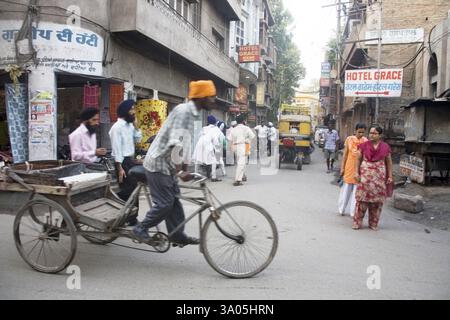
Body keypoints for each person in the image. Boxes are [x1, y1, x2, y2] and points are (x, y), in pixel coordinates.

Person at [133, 80, 217, 246]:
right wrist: (180, 171)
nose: (213, 100)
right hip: (158, 164)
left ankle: (176, 235)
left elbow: (185, 143)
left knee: (175, 203)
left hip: (169, 166)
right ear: (202, 97)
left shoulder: (194, 114)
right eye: (211, 97)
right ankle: (140, 229)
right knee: (165, 203)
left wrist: (185, 168)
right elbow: (175, 142)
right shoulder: (183, 111)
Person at [109, 100, 143, 225]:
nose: (134, 112)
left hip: (130, 160)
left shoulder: (129, 126)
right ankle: (121, 214)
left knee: (134, 190)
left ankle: (132, 218)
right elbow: (117, 149)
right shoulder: (116, 128)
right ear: (125, 111)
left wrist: (136, 126)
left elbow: (138, 139)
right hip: (121, 162)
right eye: (131, 109)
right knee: (127, 190)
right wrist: (119, 168)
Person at [353, 125, 393, 231]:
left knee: (376, 202)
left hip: (379, 177)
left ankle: (373, 223)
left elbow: (389, 162)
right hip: (365, 176)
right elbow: (357, 160)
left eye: (374, 133)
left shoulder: (385, 147)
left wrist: (390, 176)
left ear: (380, 135)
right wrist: (356, 173)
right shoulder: (363, 145)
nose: (371, 135)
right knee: (361, 200)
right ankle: (357, 222)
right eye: (370, 133)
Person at [338, 123, 368, 216]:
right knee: (346, 190)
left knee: (356, 192)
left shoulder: (366, 141)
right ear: (355, 131)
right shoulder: (349, 139)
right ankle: (341, 209)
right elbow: (345, 154)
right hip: (349, 167)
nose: (361, 134)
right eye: (359, 132)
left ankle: (353, 212)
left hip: (360, 169)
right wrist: (342, 167)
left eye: (363, 132)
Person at [192, 115, 225, 181]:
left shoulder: (204, 128)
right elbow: (217, 139)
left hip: (200, 143)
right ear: (215, 122)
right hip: (208, 144)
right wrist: (218, 149)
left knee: (198, 159)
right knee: (213, 161)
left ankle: (196, 176)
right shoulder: (216, 129)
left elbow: (199, 135)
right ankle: (213, 177)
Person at [229, 115, 255, 186]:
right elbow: (252, 136)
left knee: (240, 161)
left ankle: (243, 175)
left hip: (236, 146)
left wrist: (231, 147)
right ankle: (237, 180)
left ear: (236, 121)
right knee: (242, 162)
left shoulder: (233, 129)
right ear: (243, 121)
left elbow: (230, 139)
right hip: (245, 146)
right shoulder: (246, 128)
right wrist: (247, 140)